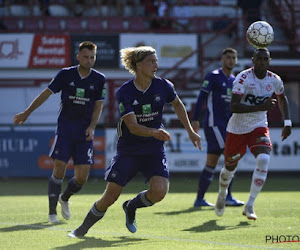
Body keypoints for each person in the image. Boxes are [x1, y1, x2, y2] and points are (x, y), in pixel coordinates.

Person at [68, 45, 202, 237]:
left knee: (159, 192)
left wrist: (190, 130)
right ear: (139, 66)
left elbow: (177, 104)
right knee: (110, 197)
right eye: (151, 61)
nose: (156, 65)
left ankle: (131, 206)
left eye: (156, 61)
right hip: (129, 150)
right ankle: (81, 230)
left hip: (154, 150)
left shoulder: (164, 85)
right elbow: (132, 126)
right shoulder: (125, 92)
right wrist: (155, 132)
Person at [14, 41, 106, 223]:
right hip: (65, 130)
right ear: (78, 56)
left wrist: (92, 126)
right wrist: (27, 112)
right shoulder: (65, 74)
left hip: (84, 133)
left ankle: (64, 198)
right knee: (59, 169)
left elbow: (98, 106)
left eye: (92, 57)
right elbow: (46, 93)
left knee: (81, 177)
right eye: (86, 57)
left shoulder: (99, 79)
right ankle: (52, 213)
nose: (89, 60)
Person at [215, 48, 292, 220]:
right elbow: (233, 107)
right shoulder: (243, 78)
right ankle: (222, 193)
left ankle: (249, 205)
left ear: (269, 61)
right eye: (259, 58)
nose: (262, 62)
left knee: (264, 159)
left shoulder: (274, 79)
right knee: (228, 169)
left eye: (265, 59)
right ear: (253, 60)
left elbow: (282, 97)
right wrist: (261, 107)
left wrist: (287, 122)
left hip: (259, 125)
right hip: (237, 128)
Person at [192, 48, 244, 208]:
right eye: (228, 57)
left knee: (211, 163)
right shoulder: (213, 76)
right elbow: (202, 97)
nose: (231, 60)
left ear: (236, 61)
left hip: (228, 126)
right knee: (231, 156)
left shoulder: (235, 80)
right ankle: (227, 196)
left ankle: (199, 199)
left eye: (233, 57)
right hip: (214, 124)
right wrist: (195, 119)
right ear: (222, 59)